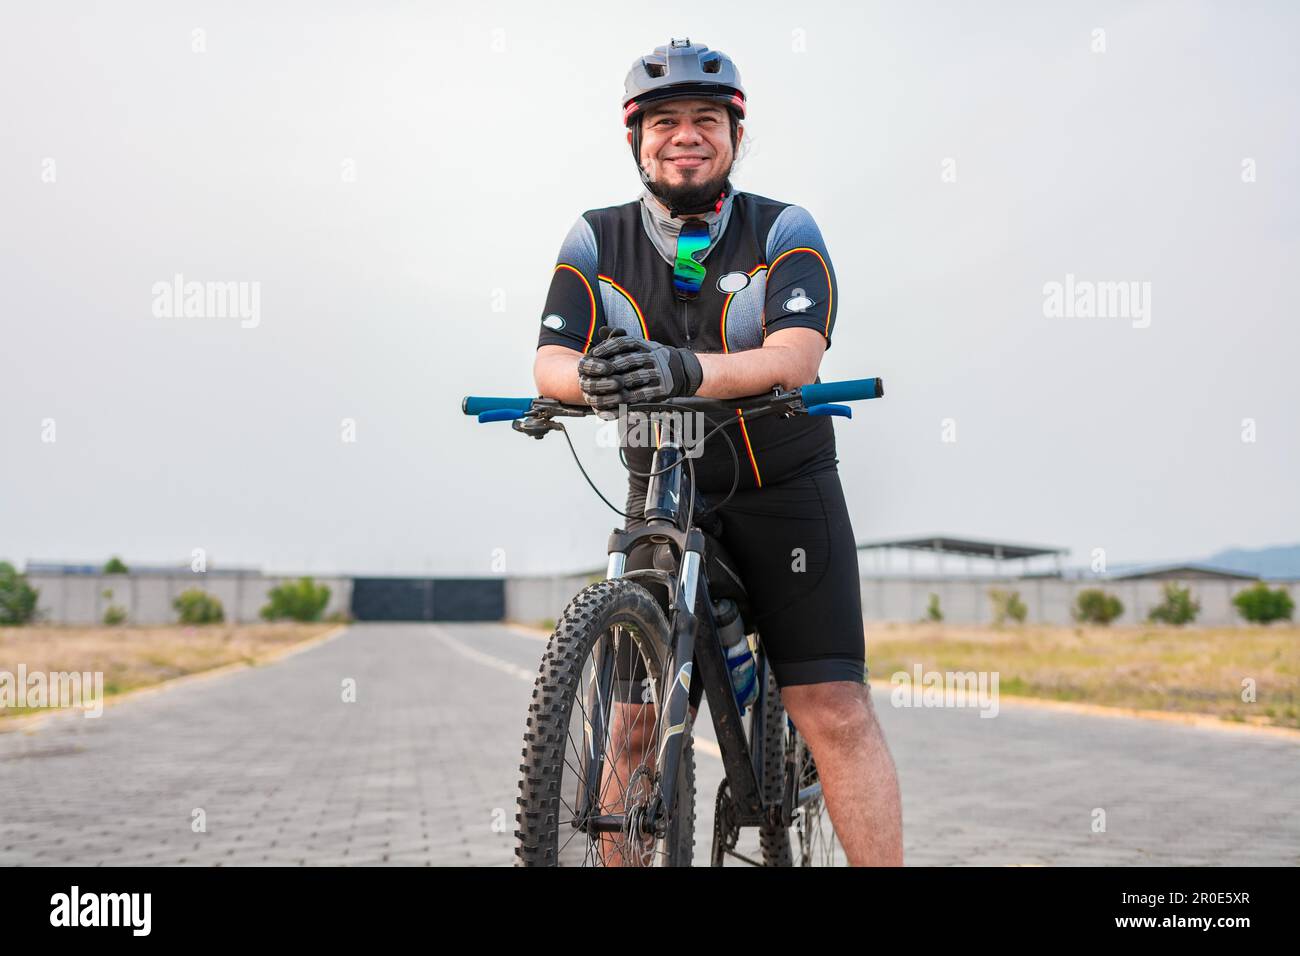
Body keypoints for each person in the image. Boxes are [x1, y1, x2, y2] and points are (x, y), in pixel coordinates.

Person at [533, 37, 903, 866]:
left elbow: (797, 354)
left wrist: (682, 366)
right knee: (629, 728)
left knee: (832, 706)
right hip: (662, 490)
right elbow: (549, 361)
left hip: (782, 486)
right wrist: (591, 376)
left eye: (707, 118)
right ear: (637, 140)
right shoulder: (595, 239)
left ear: (735, 136)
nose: (685, 135)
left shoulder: (784, 228)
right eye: (663, 122)